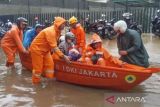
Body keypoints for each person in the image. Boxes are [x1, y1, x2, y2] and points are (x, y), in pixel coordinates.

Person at [30, 17, 70, 84]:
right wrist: (63, 56)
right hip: (37, 49)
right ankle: (35, 84)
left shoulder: (58, 31)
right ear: (58, 24)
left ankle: (49, 81)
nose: (64, 25)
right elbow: (54, 47)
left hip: (46, 50)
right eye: (63, 24)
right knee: (38, 69)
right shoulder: (50, 31)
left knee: (50, 65)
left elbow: (55, 44)